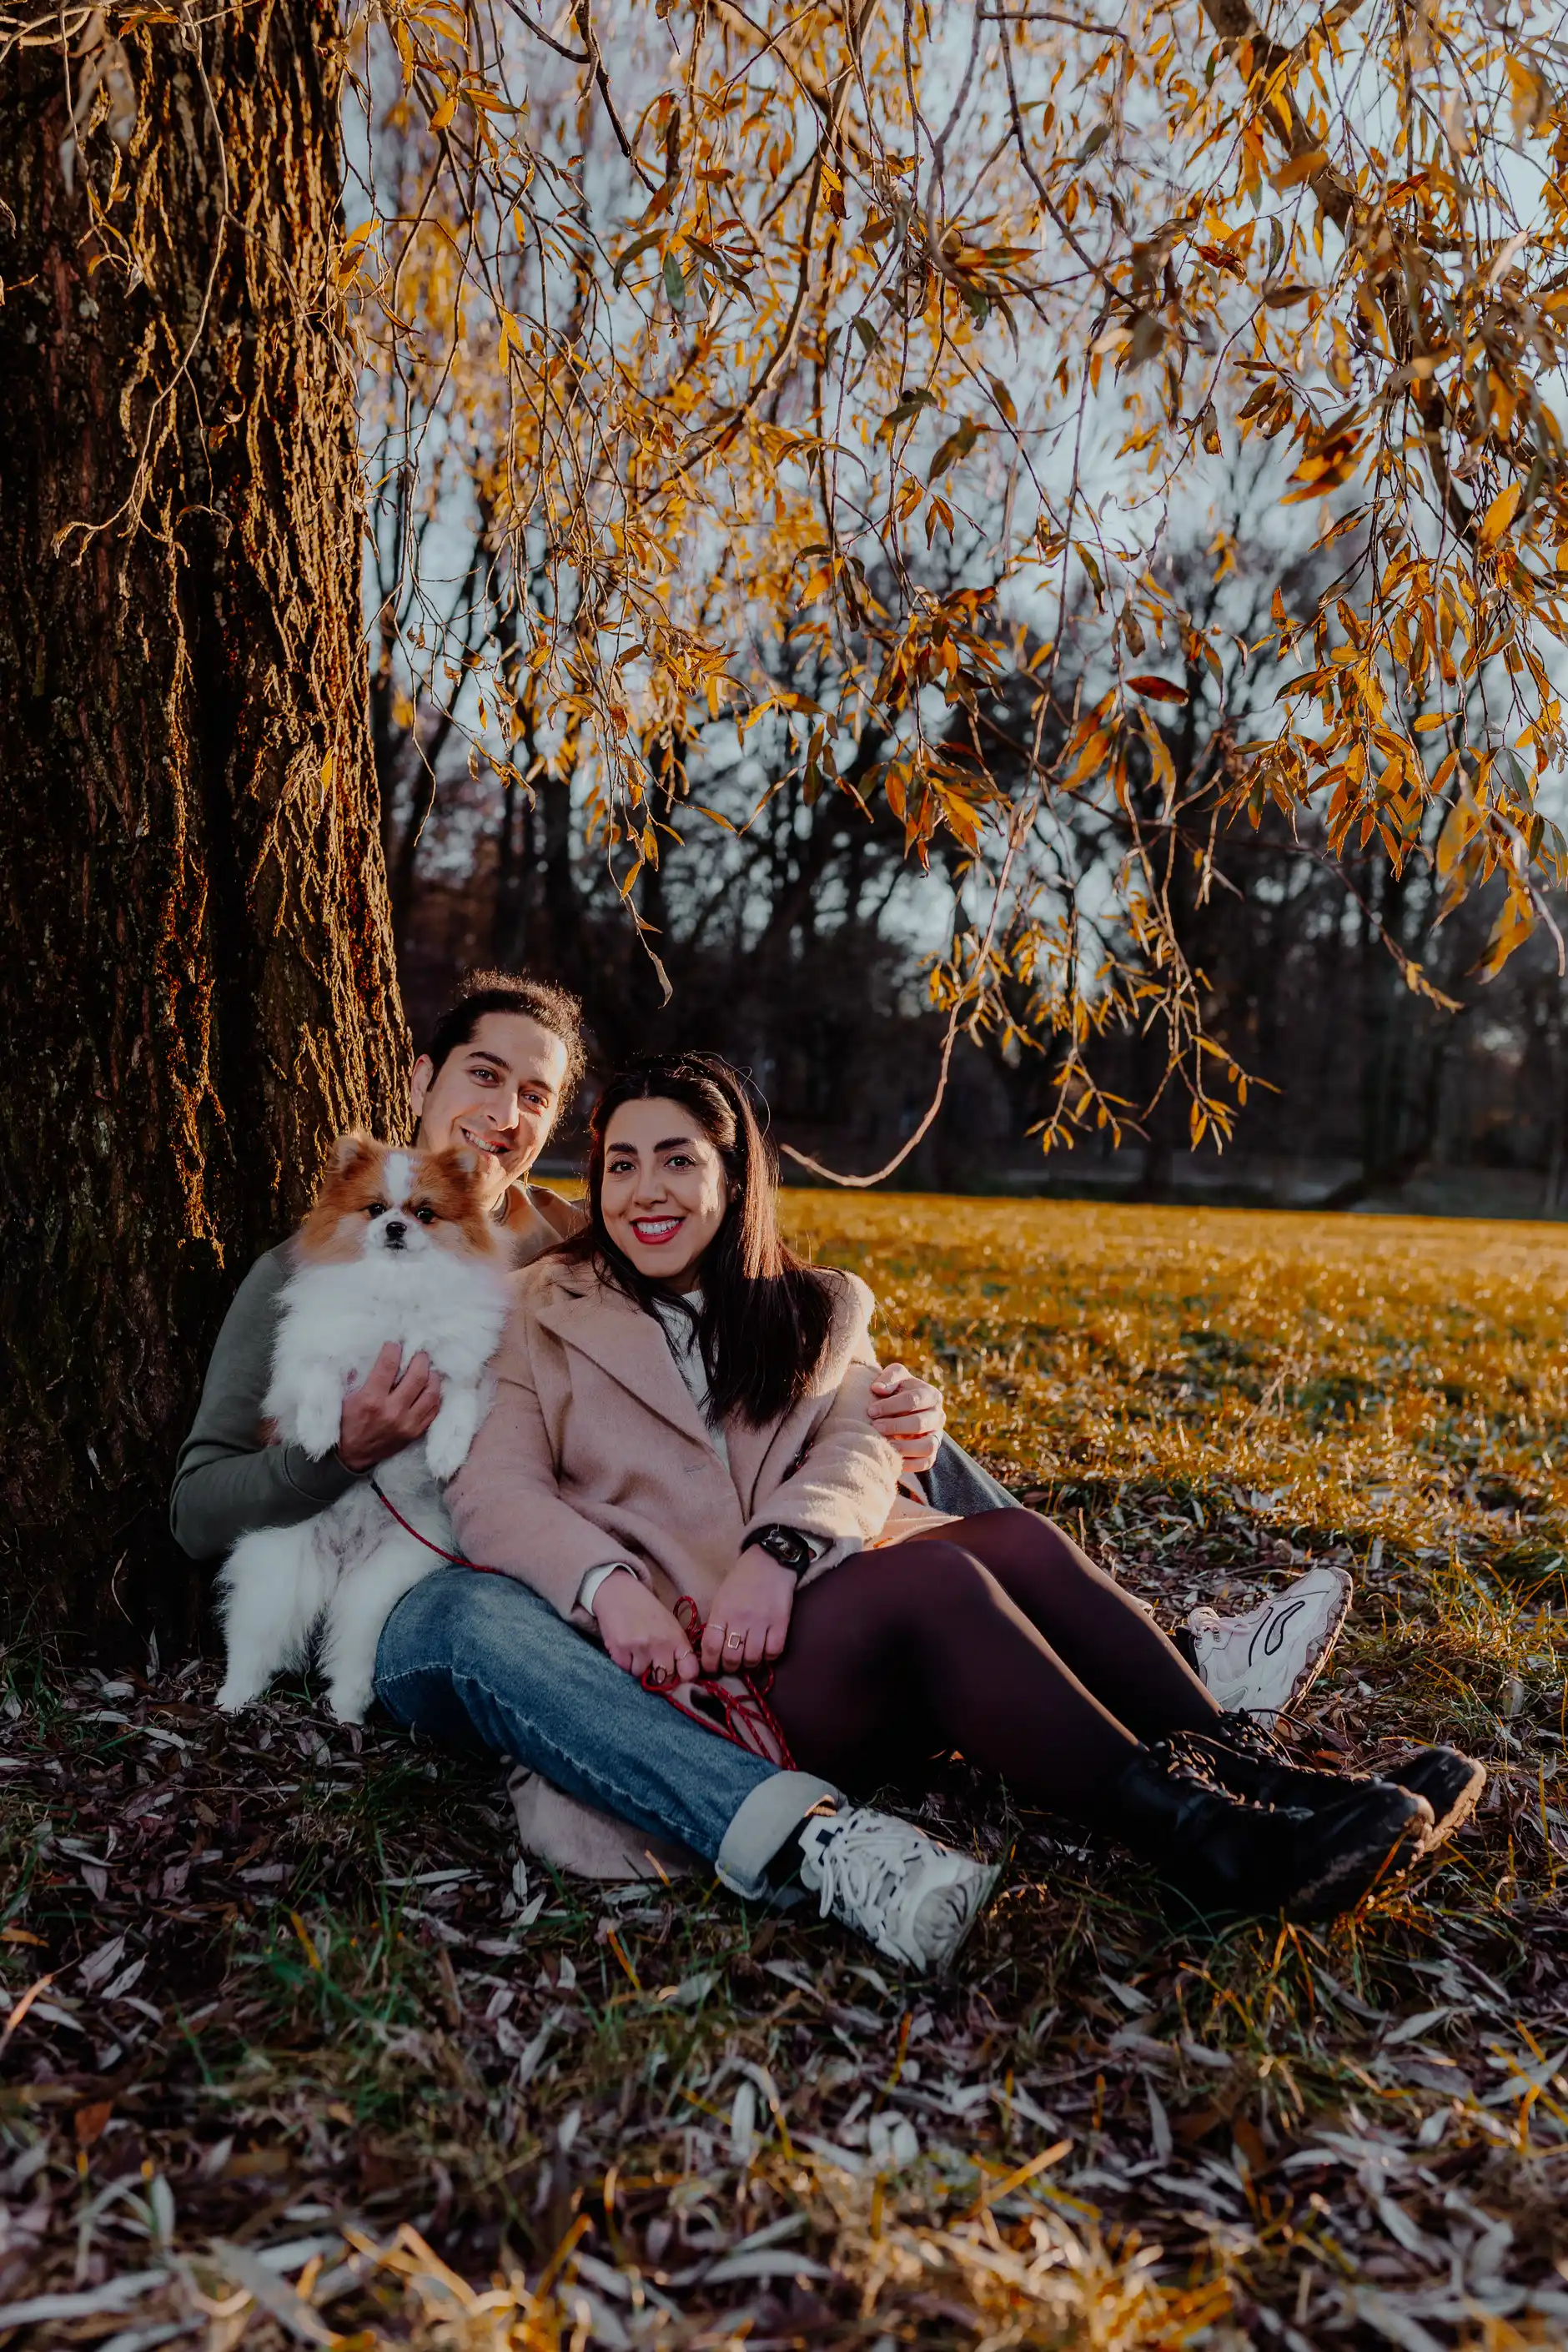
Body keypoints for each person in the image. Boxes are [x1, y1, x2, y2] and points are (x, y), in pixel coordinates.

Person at [448, 1054, 1487, 1944]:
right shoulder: (541, 1314)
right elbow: (494, 1493)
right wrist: (610, 1589)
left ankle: (1271, 1787)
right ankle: (1200, 1841)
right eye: (619, 1164)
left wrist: (780, 1552)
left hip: (817, 1627)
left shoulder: (811, 1305)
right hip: (700, 1685)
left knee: (1017, 1541)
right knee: (940, 1575)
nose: (643, 1191)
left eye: (677, 1158)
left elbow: (858, 1445)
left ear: (733, 1176)